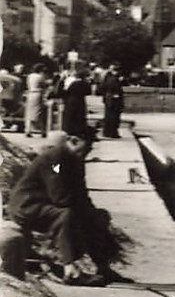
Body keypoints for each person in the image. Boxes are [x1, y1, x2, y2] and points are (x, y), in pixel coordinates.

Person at [7, 132, 128, 285]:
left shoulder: (76, 160)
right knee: (66, 215)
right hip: (28, 206)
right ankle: (70, 270)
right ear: (74, 140)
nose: (89, 150)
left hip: (47, 205)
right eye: (87, 146)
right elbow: (59, 196)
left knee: (95, 216)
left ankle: (104, 267)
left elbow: (82, 193)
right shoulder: (54, 160)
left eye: (91, 147)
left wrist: (92, 213)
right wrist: (82, 211)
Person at [60, 66, 91, 139]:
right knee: (79, 116)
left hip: (71, 100)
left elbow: (67, 91)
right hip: (80, 100)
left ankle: (69, 130)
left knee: (70, 115)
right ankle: (79, 131)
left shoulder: (72, 83)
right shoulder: (85, 83)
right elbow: (88, 92)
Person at [99, 66, 124, 138]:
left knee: (109, 115)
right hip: (114, 99)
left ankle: (108, 132)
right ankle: (112, 132)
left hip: (108, 99)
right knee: (113, 116)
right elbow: (116, 88)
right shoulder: (113, 79)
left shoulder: (107, 78)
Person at [23, 65, 48, 137]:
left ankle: (28, 130)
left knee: (29, 113)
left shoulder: (30, 76)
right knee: (39, 113)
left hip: (30, 94)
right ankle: (43, 131)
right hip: (38, 94)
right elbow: (44, 85)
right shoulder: (40, 77)